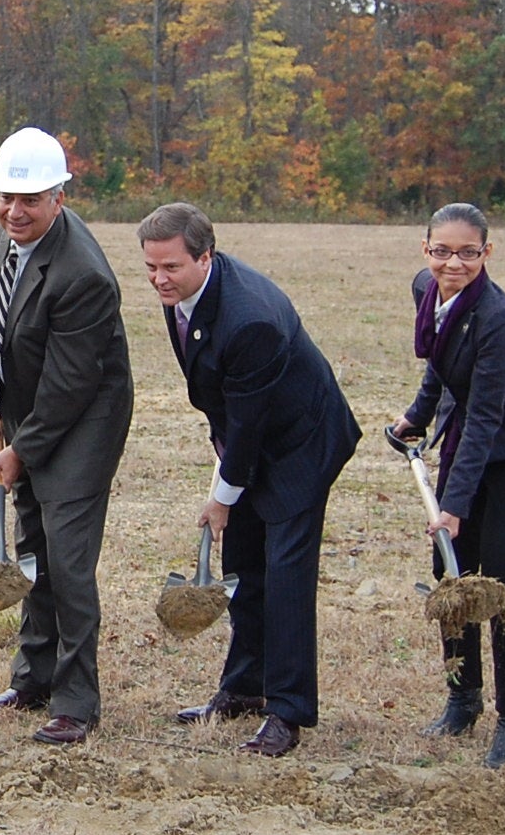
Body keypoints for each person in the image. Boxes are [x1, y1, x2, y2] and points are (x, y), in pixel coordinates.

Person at [140, 202, 360, 758]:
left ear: (205, 256)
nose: (159, 279)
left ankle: (287, 712)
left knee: (284, 573)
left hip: (302, 443)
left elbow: (250, 420)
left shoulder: (250, 318)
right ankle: (241, 689)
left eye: (171, 268)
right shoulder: (186, 295)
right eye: (150, 267)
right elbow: (225, 406)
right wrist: (227, 478)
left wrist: (221, 496)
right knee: (243, 564)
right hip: (252, 431)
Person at [0, 128, 133, 747]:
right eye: (6, 197)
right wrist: (8, 420)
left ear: (59, 197)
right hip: (31, 412)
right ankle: (33, 676)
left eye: (30, 200)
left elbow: (70, 386)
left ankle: (75, 700)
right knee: (31, 543)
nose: (14, 210)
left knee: (66, 564)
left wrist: (21, 451)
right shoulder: (13, 233)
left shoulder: (84, 276)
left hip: (82, 424)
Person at [392, 202, 505, 768]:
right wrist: (414, 417)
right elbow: (440, 362)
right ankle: (462, 699)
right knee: (450, 575)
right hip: (469, 446)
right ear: (426, 251)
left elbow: (485, 418)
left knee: (501, 584)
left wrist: (454, 506)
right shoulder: (428, 290)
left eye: (467, 252)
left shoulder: (498, 318)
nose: (453, 263)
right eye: (442, 251)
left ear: (487, 253)